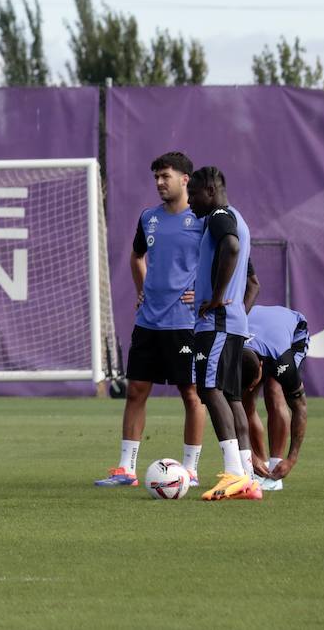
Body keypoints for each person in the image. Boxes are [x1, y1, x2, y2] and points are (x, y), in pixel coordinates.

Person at [96, 151, 205, 488]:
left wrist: (202, 292)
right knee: (136, 391)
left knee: (191, 394)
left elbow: (221, 262)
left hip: (185, 324)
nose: (159, 183)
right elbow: (136, 257)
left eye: (166, 176)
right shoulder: (148, 218)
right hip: (148, 322)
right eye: (156, 177)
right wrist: (142, 290)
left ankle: (190, 470)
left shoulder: (202, 220)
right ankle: (126, 469)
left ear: (185, 179)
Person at [187, 166, 261, 502]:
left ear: (211, 190)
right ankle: (247, 477)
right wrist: (237, 313)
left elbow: (230, 247)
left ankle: (233, 473)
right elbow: (253, 281)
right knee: (232, 398)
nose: (189, 200)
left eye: (193, 192)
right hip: (232, 324)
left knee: (209, 389)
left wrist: (216, 299)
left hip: (216, 323)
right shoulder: (238, 219)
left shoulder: (220, 217)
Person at [241, 305, 309, 491]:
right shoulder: (228, 355)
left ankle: (275, 468)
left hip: (291, 332)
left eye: (255, 381)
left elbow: (300, 407)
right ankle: (260, 465)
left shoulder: (281, 358)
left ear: (262, 365)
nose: (254, 386)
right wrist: (249, 456)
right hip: (255, 330)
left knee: (273, 391)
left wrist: (291, 459)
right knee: (244, 401)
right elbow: (228, 411)